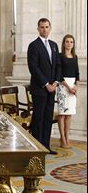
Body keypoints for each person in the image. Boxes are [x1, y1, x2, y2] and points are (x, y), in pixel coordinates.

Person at [27, 18, 61, 155]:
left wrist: (55, 83)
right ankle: (37, 149)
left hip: (52, 89)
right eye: (42, 27)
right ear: (38, 28)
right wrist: (46, 84)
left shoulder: (54, 45)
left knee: (47, 118)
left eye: (47, 27)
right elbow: (33, 68)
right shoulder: (33, 46)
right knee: (38, 118)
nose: (44, 29)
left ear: (50, 28)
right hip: (40, 89)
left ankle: (46, 147)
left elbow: (58, 65)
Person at [57, 34, 80, 148]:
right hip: (63, 86)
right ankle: (62, 139)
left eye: (71, 42)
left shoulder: (75, 56)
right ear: (64, 43)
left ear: (73, 44)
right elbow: (59, 74)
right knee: (62, 114)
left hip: (73, 86)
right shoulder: (60, 56)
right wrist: (68, 87)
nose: (69, 44)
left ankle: (67, 138)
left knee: (69, 114)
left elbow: (77, 74)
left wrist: (76, 86)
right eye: (67, 41)